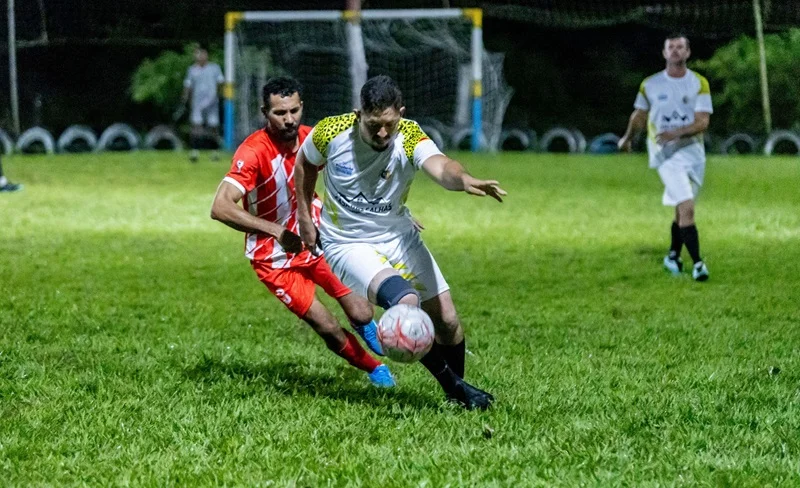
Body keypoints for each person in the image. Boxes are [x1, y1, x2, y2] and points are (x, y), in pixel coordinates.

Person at [294, 75, 507, 410]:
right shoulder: (331, 132)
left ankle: (456, 395)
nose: (382, 133)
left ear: (401, 114)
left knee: (448, 319)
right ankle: (457, 389)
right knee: (404, 301)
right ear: (358, 114)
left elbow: (441, 166)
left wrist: (463, 179)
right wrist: (305, 217)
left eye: (389, 124)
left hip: (398, 235)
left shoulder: (408, 135)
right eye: (373, 125)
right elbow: (305, 164)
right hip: (347, 242)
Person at [210, 76, 395, 388]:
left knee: (362, 311)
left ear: (302, 107)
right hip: (273, 258)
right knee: (326, 326)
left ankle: (363, 322)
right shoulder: (252, 152)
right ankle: (374, 368)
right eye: (279, 113)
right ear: (264, 113)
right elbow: (220, 207)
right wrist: (276, 231)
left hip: (317, 238)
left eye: (294, 111)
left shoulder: (314, 139)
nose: (289, 120)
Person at [618, 34, 712, 282]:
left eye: (680, 47)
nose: (675, 51)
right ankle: (698, 264)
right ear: (664, 53)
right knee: (687, 207)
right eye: (671, 47)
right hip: (664, 155)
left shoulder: (699, 83)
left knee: (681, 210)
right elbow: (639, 115)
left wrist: (676, 133)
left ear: (688, 52)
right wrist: (627, 138)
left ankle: (672, 256)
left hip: (693, 153)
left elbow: (703, 121)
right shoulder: (650, 84)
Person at [182, 46, 224, 163]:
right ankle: (194, 152)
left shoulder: (214, 68)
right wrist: (186, 98)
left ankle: (215, 152)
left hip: (212, 102)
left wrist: (218, 96)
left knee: (213, 126)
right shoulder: (192, 70)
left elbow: (220, 82)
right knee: (196, 126)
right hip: (197, 103)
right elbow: (188, 85)